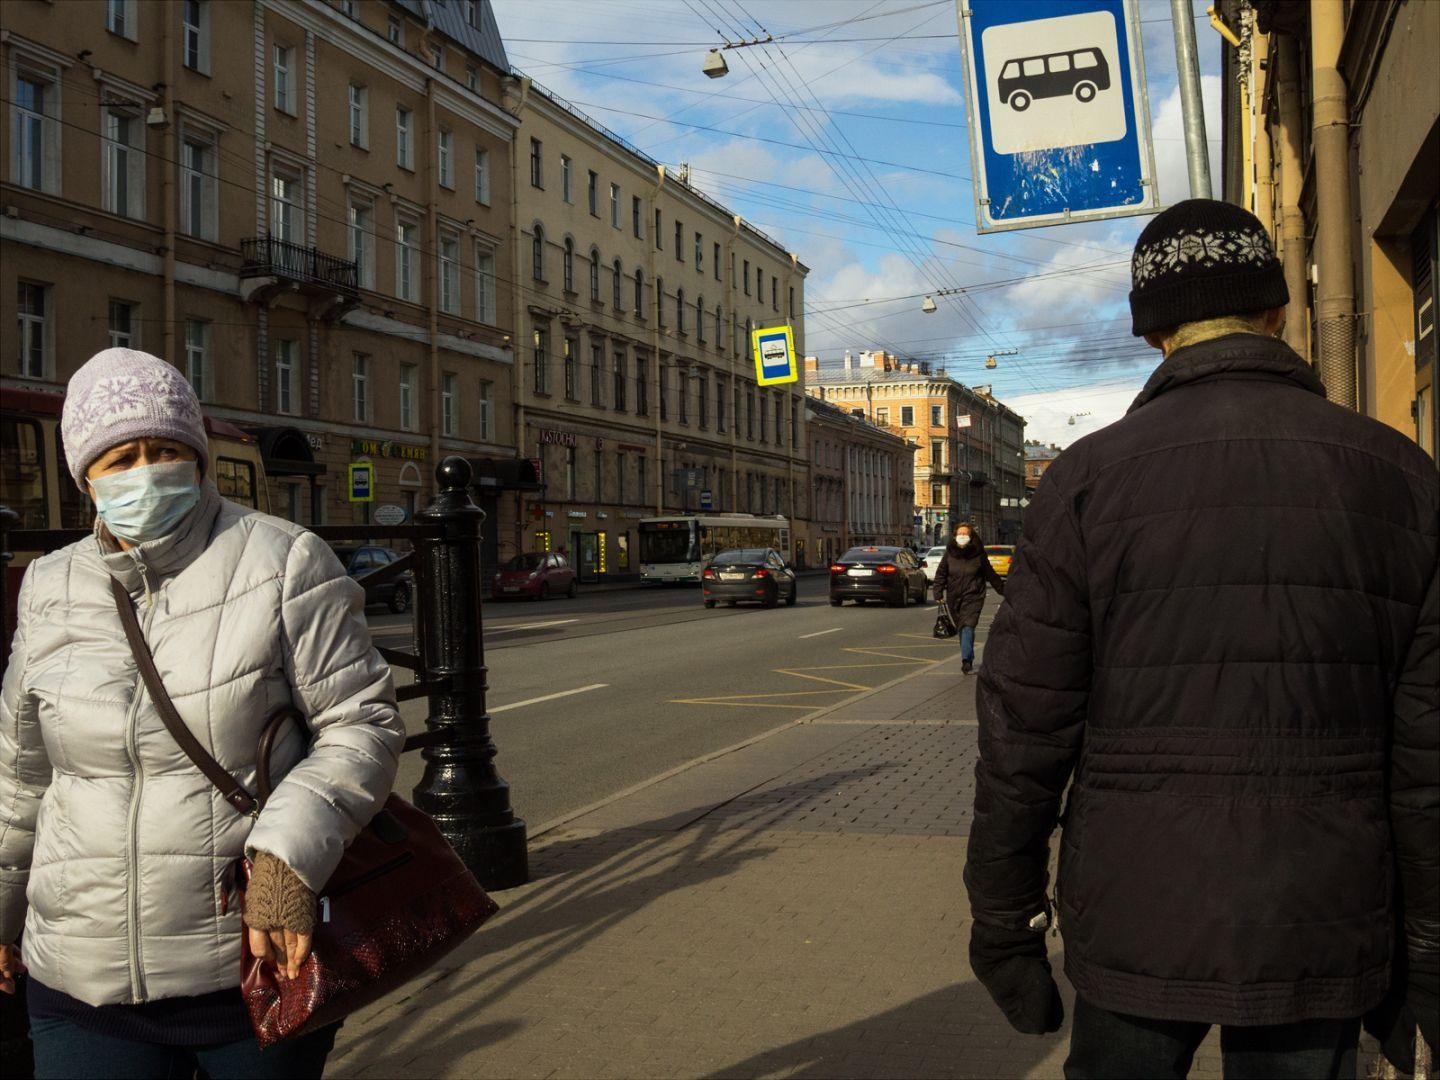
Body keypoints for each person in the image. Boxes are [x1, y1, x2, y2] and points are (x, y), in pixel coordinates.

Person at [964, 200, 1438, 1079]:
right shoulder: (1402, 478)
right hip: (1323, 914)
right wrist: (1430, 953)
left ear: (1153, 335)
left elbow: (1021, 735)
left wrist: (1005, 921)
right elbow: (1428, 757)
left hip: (1138, 908)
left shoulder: (1084, 482)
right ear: (1279, 312)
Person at [0, 348, 405, 1078]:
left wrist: (286, 862)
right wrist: (1, 914)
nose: (146, 471)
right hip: (79, 981)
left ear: (197, 457)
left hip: (247, 968)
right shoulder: (50, 584)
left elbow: (361, 724)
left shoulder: (283, 560)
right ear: (85, 476)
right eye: (120, 456)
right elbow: (22, 773)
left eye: (166, 450)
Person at [932, 523, 1005, 675]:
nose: (962, 536)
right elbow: (941, 574)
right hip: (954, 597)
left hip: (974, 595)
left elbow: (990, 574)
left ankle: (965, 660)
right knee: (962, 627)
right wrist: (938, 593)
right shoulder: (950, 554)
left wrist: (1005, 591)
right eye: (960, 533)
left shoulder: (978, 554)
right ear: (955, 536)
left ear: (971, 537)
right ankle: (968, 655)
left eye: (966, 534)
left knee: (968, 625)